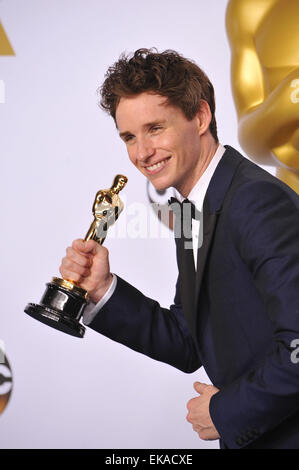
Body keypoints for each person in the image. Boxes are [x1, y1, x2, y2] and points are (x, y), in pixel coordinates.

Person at [59, 48, 299, 449]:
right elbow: (190, 339)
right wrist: (102, 290)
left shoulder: (256, 200)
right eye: (129, 137)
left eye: (155, 128)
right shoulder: (191, 210)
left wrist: (225, 412)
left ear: (201, 117)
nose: (141, 153)